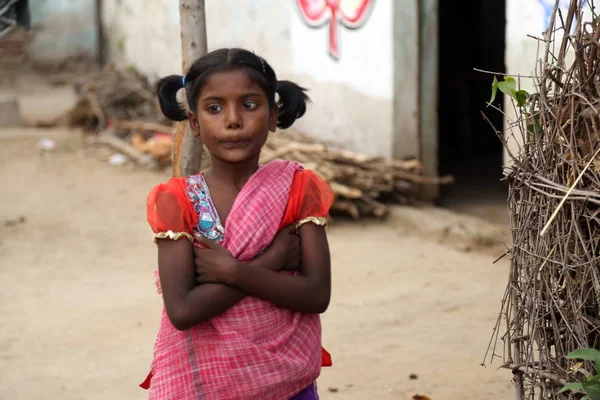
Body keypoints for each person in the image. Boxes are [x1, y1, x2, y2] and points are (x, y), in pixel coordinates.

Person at [141, 48, 334, 400]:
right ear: (195, 123)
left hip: (290, 384)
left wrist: (233, 272)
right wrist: (270, 262)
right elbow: (182, 310)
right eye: (214, 108)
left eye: (249, 105)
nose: (233, 120)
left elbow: (318, 294)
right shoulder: (178, 201)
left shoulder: (297, 188)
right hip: (209, 388)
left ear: (274, 116)